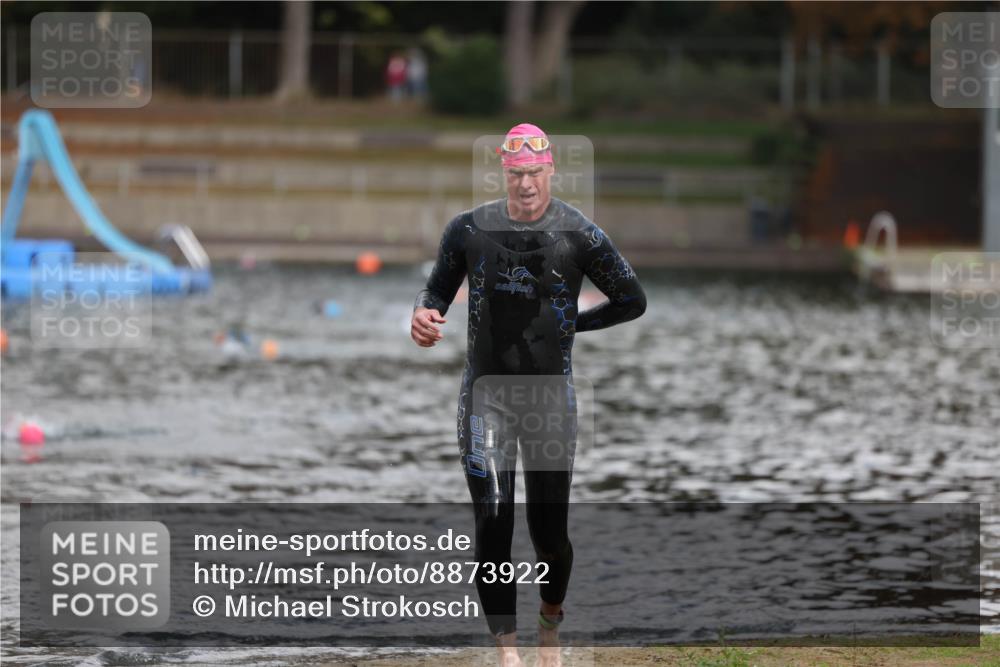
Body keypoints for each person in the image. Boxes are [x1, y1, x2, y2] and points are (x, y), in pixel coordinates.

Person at [411, 123, 646, 667]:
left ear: (550, 172)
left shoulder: (579, 235)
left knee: (549, 536)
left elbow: (631, 299)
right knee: (493, 518)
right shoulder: (467, 230)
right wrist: (422, 316)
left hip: (549, 401)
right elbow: (435, 293)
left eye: (534, 174)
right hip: (486, 395)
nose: (525, 185)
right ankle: (508, 654)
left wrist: (571, 326)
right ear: (503, 174)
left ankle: (549, 626)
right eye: (516, 175)